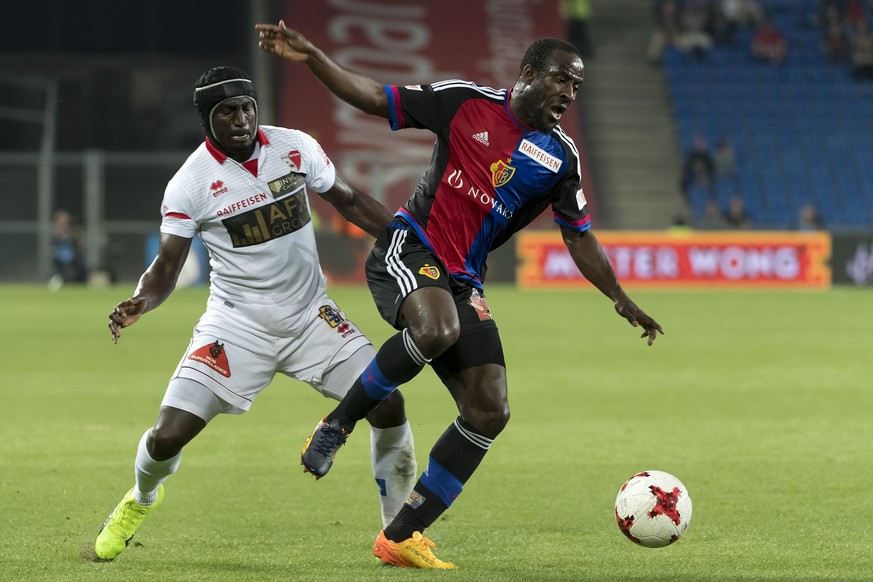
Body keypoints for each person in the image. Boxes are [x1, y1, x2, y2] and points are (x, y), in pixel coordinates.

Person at [257, 22, 664, 569]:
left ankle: (399, 537)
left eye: (577, 88)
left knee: (489, 410)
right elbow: (378, 98)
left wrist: (618, 295)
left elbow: (577, 232)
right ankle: (337, 425)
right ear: (527, 75)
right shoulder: (464, 102)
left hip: (463, 280)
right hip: (410, 246)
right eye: (562, 81)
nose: (569, 95)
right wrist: (314, 58)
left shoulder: (561, 159)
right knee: (436, 328)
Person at [92, 66, 417, 561]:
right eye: (227, 112)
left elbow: (348, 200)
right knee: (166, 437)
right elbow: (166, 266)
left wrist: (410, 242)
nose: (241, 119)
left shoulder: (295, 147)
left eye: (247, 107)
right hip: (236, 326)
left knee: (388, 404)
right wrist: (141, 300)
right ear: (207, 119)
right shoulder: (190, 184)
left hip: (312, 316)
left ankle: (397, 535)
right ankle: (142, 497)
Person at [49, 209, 87, 288]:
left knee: (80, 265)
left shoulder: (73, 234)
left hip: (73, 261)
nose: (63, 224)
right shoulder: (53, 236)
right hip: (59, 262)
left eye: (65, 221)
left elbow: (79, 249)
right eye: (61, 222)